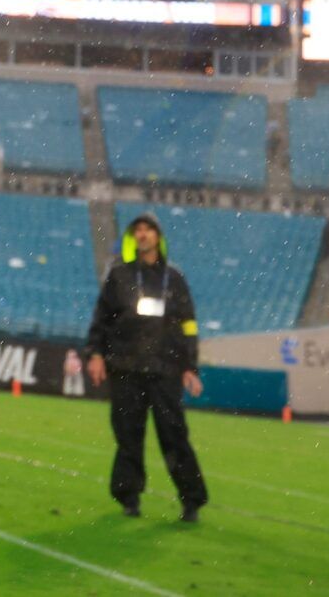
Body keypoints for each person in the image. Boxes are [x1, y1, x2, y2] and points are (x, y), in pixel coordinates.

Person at [85, 212, 208, 522]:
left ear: (158, 237)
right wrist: (96, 354)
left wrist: (190, 366)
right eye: (137, 230)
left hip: (165, 370)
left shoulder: (175, 278)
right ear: (132, 237)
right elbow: (101, 320)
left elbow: (189, 325)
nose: (143, 235)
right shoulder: (119, 277)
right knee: (128, 436)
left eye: (149, 230)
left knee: (174, 435)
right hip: (125, 368)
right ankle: (129, 498)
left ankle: (191, 500)